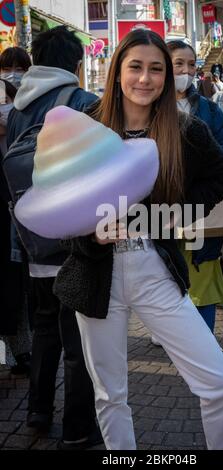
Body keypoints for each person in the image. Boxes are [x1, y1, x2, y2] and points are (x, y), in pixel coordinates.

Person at [54, 29, 223, 450]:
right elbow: (61, 213)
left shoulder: (183, 130)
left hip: (157, 274)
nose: (145, 78)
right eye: (135, 66)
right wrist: (91, 236)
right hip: (96, 281)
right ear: (117, 70)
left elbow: (221, 176)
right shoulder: (86, 130)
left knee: (219, 383)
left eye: (157, 69)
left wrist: (175, 215)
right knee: (110, 395)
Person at [7, 26, 102, 449]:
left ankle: (37, 413)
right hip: (74, 243)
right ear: (77, 65)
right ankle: (79, 428)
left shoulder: (18, 108)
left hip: (31, 239)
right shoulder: (84, 102)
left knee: (45, 328)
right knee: (79, 340)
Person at [166, 39, 223, 332]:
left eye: (191, 64)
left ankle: (204, 338)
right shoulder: (146, 108)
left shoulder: (208, 108)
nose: (186, 71)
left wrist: (198, 161)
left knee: (202, 272)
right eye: (178, 64)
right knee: (166, 276)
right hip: (162, 213)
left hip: (201, 213)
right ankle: (175, 335)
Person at [0, 46, 32, 376]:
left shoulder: (28, 106)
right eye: (7, 66)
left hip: (19, 207)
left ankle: (22, 352)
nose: (12, 72)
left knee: (17, 287)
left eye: (19, 66)